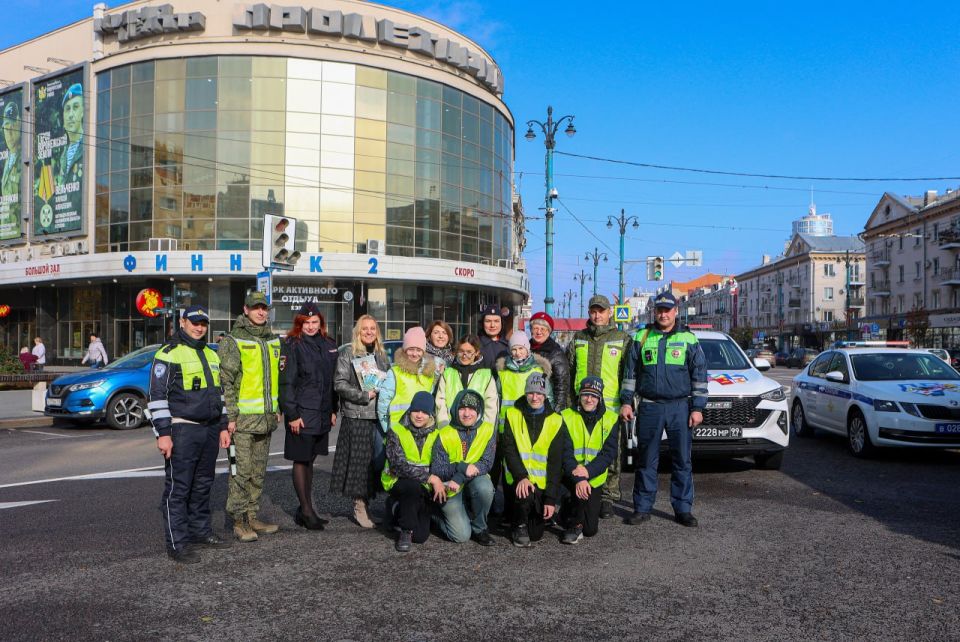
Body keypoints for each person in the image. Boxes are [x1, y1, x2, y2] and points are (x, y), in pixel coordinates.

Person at [148, 305, 231, 564]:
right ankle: (177, 543)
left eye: (203, 324)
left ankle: (200, 532)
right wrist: (163, 434)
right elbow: (157, 396)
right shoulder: (168, 353)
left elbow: (219, 393)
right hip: (182, 428)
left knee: (203, 484)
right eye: (194, 323)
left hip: (209, 429)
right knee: (179, 488)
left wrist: (223, 425)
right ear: (182, 322)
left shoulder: (211, 353)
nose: (199, 328)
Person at [620, 292, 708, 528]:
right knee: (646, 460)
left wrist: (697, 408)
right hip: (650, 407)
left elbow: (699, 375)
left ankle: (683, 509)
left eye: (667, 310)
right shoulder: (641, 337)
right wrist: (626, 402)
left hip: (680, 407)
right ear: (654, 312)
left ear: (675, 311)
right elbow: (630, 374)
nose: (663, 314)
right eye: (659, 310)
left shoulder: (688, 339)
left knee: (682, 460)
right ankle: (642, 508)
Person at [220, 291, 282, 542]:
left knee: (258, 473)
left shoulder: (272, 340)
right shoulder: (233, 340)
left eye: (264, 308)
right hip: (242, 422)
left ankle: (252, 516)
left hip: (266, 420)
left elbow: (273, 379)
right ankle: (238, 521)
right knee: (241, 473)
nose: (260, 312)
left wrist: (276, 408)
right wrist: (230, 417)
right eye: (256, 308)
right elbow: (226, 381)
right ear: (245, 310)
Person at [567, 294, 632, 519]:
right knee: (582, 448)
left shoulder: (622, 339)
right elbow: (570, 371)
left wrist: (626, 402)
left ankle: (608, 496)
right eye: (594, 311)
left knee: (611, 453)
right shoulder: (579, 338)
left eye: (601, 311)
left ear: (609, 312)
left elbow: (628, 374)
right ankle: (583, 487)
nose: (597, 315)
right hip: (581, 406)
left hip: (610, 408)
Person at [279, 302, 339, 531]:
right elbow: (286, 383)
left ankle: (306, 508)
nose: (311, 326)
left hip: (322, 412)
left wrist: (333, 409)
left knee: (310, 459)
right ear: (299, 323)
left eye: (315, 322)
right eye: (307, 323)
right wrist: (292, 414)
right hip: (302, 413)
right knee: (301, 460)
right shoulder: (292, 345)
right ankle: (306, 511)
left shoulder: (328, 344)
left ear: (320, 322)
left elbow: (332, 382)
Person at [332, 314, 390, 528]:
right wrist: (364, 395)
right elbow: (339, 383)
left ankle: (369, 502)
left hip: (378, 416)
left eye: (372, 328)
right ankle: (359, 507)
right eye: (364, 328)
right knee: (359, 463)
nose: (369, 332)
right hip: (357, 415)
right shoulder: (348, 353)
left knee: (376, 462)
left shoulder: (381, 356)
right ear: (357, 331)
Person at [501, 373, 564, 547]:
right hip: (517, 479)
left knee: (536, 535)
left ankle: (533, 514)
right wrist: (521, 477)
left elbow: (555, 463)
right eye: (530, 392)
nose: (535, 397)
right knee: (524, 495)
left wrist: (550, 499)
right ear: (525, 393)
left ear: (545, 395)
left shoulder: (556, 421)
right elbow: (509, 449)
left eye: (539, 393)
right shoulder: (512, 414)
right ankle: (518, 525)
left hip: (541, 484)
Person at [381, 391, 446, 552]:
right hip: (398, 481)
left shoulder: (436, 434)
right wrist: (431, 478)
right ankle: (405, 530)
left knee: (420, 537)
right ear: (410, 410)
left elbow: (439, 464)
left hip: (423, 487)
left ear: (430, 415)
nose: (419, 415)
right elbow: (398, 466)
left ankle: (397, 509)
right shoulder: (396, 430)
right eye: (416, 410)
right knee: (411, 486)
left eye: (424, 412)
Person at [431, 389, 497, 546]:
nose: (467, 414)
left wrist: (460, 476)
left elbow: (487, 462)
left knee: (485, 488)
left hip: (471, 478)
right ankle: (433, 514)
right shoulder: (444, 433)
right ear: (455, 409)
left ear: (478, 411)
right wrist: (461, 468)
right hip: (449, 485)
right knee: (461, 536)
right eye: (462, 409)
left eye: (471, 409)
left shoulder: (488, 430)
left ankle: (480, 528)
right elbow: (438, 468)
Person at [559, 376, 620, 545]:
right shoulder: (566, 416)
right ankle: (573, 523)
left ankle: (571, 506)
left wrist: (587, 472)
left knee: (590, 530)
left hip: (594, 477)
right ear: (579, 396)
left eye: (594, 396)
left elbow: (608, 454)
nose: (589, 399)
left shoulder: (611, 419)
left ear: (600, 398)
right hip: (571, 474)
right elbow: (565, 453)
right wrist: (579, 478)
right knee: (578, 502)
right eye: (585, 394)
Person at [377, 326, 437, 434]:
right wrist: (388, 430)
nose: (414, 354)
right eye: (411, 349)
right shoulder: (395, 373)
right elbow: (383, 404)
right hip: (397, 430)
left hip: (421, 431)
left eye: (418, 350)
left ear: (423, 352)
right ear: (405, 350)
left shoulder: (429, 374)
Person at [435, 334, 499, 430]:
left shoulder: (486, 376)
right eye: (461, 351)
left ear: (476, 352)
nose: (464, 355)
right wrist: (444, 428)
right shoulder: (448, 373)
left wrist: (486, 432)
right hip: (450, 429)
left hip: (478, 431)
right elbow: (440, 403)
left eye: (469, 352)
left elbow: (491, 408)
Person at [495, 331, 552, 430]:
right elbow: (496, 401)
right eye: (514, 349)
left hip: (532, 423)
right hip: (507, 424)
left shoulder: (538, 371)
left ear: (527, 348)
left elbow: (548, 397)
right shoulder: (503, 373)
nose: (518, 353)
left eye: (521, 348)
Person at [529, 311, 571, 412]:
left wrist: (557, 411)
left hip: (547, 407)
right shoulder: (524, 349)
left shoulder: (556, 353)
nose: (539, 332)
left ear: (549, 331)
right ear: (530, 330)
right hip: (529, 403)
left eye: (543, 329)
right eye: (536, 328)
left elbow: (562, 386)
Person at [1, 99, 22, 237]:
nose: (8, 132)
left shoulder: (26, 157)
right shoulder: (7, 161)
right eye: (6, 128)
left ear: (19, 124)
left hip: (19, 231)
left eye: (11, 126)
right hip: (6, 233)